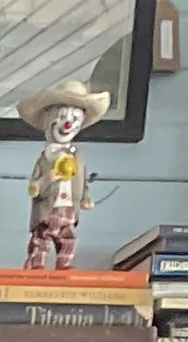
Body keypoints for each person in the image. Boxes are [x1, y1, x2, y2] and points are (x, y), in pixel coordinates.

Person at [19, 76, 110, 272]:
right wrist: (47, 179)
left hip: (68, 207)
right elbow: (35, 186)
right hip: (48, 207)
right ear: (49, 120)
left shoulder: (77, 158)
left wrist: (85, 197)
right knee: (42, 237)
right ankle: (37, 263)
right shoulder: (46, 158)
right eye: (62, 117)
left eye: (74, 119)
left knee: (68, 238)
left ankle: (64, 263)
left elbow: (82, 181)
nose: (68, 124)